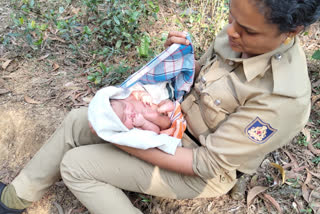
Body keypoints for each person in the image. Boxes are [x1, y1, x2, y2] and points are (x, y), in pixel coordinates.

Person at [1, 0, 319, 213]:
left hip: (198, 165)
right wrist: (177, 60)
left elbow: (206, 164)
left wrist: (123, 140)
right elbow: (207, 78)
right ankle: (14, 199)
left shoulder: (283, 98)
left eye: (247, 30)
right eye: (232, 16)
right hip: (173, 122)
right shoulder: (242, 28)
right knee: (75, 121)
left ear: (291, 32)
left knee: (77, 166)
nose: (231, 31)